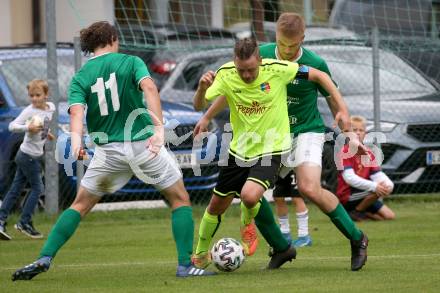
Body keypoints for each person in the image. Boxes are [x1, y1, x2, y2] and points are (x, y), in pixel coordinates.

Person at [12, 21, 214, 281]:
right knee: (179, 199)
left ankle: (44, 257)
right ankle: (186, 265)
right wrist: (159, 129)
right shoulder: (130, 62)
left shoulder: (80, 77)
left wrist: (75, 144)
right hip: (142, 145)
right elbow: (150, 88)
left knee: (80, 205)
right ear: (112, 39)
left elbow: (75, 112)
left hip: (107, 151)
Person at [196, 13, 369, 271]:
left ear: (303, 39)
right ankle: (281, 247)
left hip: (305, 131)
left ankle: (357, 238)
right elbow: (234, 89)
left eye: (293, 45)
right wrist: (207, 115)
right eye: (282, 44)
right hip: (271, 136)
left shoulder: (314, 62)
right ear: (275, 37)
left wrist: (349, 130)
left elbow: (331, 94)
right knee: (249, 192)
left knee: (309, 188)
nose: (286, 51)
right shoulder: (261, 55)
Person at [0, 79, 55, 241]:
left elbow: (45, 122)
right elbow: (12, 126)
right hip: (26, 156)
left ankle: (1, 220)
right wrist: (27, 128)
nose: (34, 99)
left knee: (16, 189)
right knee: (38, 188)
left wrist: (47, 132)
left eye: (38, 95)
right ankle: (24, 222)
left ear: (46, 95)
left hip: (32, 155)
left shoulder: (50, 108)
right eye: (31, 96)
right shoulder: (29, 111)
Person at [336, 115, 395, 221]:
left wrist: (388, 185)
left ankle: (356, 213)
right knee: (377, 190)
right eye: (354, 130)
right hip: (347, 195)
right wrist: (374, 186)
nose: (358, 133)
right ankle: (356, 212)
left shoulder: (368, 153)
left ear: (365, 134)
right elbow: (349, 179)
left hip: (365, 194)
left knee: (389, 216)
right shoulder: (345, 151)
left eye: (361, 130)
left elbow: (377, 174)